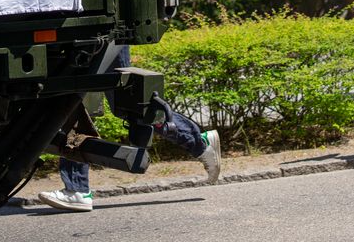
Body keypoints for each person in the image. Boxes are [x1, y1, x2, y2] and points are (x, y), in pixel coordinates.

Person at [38, 45, 221, 212]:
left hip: (102, 33)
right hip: (89, 34)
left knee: (131, 106)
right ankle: (76, 189)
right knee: (119, 105)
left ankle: (77, 190)